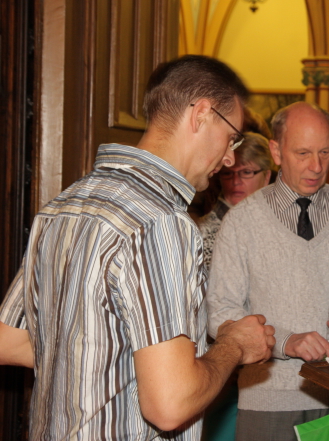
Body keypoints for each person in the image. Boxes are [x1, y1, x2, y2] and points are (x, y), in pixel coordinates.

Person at [0, 55, 276, 440]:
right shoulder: (160, 222)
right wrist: (233, 345)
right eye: (231, 137)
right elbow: (170, 405)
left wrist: (144, 361)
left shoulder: (64, 204)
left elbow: (10, 340)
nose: (230, 158)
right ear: (201, 114)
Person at [207, 101, 329, 441]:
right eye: (303, 153)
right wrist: (285, 341)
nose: (317, 166)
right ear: (276, 151)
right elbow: (221, 313)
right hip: (269, 399)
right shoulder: (242, 222)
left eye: (325, 152)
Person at [199, 132, 274, 271]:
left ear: (266, 177)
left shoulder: (282, 222)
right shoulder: (203, 232)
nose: (236, 181)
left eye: (246, 172)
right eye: (228, 173)